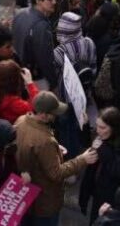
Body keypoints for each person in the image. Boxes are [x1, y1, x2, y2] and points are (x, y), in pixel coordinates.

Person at [14, 91, 99, 226]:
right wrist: (82, 159)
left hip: (29, 196)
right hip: (45, 200)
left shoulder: (21, 121)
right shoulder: (45, 141)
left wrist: (54, 149)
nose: (56, 115)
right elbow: (56, 173)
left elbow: (28, 148)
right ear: (43, 115)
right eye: (53, 113)